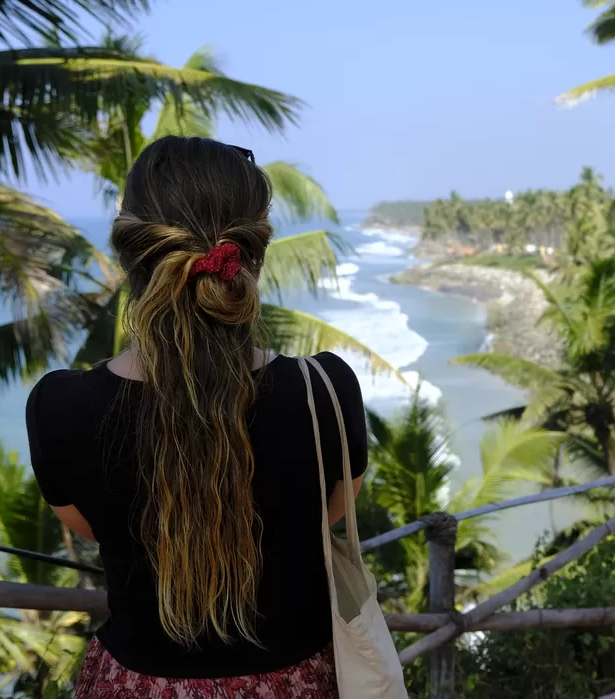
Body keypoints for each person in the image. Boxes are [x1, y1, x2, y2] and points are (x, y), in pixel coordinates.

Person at [26, 136, 367, 698]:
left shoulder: (60, 407)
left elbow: (87, 525)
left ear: (129, 247)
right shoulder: (325, 389)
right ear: (255, 247)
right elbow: (330, 510)